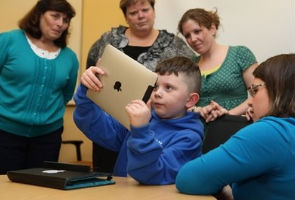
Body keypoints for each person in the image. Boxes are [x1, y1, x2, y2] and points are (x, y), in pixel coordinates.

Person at [86, 0, 195, 172]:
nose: (141, 16)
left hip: (152, 123)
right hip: (111, 122)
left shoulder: (175, 45)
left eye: (145, 10)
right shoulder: (108, 40)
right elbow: (92, 73)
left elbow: (192, 76)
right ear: (126, 17)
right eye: (133, 13)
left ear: (153, 10)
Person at [176, 54, 295, 200]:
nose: (250, 102)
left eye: (255, 90)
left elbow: (188, 179)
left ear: (279, 89)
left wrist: (227, 185)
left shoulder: (271, 132)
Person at [73, 56, 204, 185]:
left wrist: (141, 130)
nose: (157, 93)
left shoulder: (189, 138)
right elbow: (95, 126)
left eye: (168, 87)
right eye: (155, 87)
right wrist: (87, 90)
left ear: (190, 100)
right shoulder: (143, 118)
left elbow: (151, 174)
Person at [0, 0, 79, 174]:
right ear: (39, 15)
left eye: (65, 20)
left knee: (40, 191)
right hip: (5, 133)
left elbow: (65, 95)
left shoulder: (70, 58)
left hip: (48, 138)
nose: (60, 24)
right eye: (55, 16)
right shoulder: (8, 41)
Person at [178, 8, 258, 122]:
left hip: (235, 126)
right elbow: (183, 103)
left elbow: (259, 95)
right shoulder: (190, 65)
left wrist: (226, 116)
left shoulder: (239, 54)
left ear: (212, 28)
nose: (193, 39)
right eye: (187, 36)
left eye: (197, 31)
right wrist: (198, 110)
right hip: (200, 131)